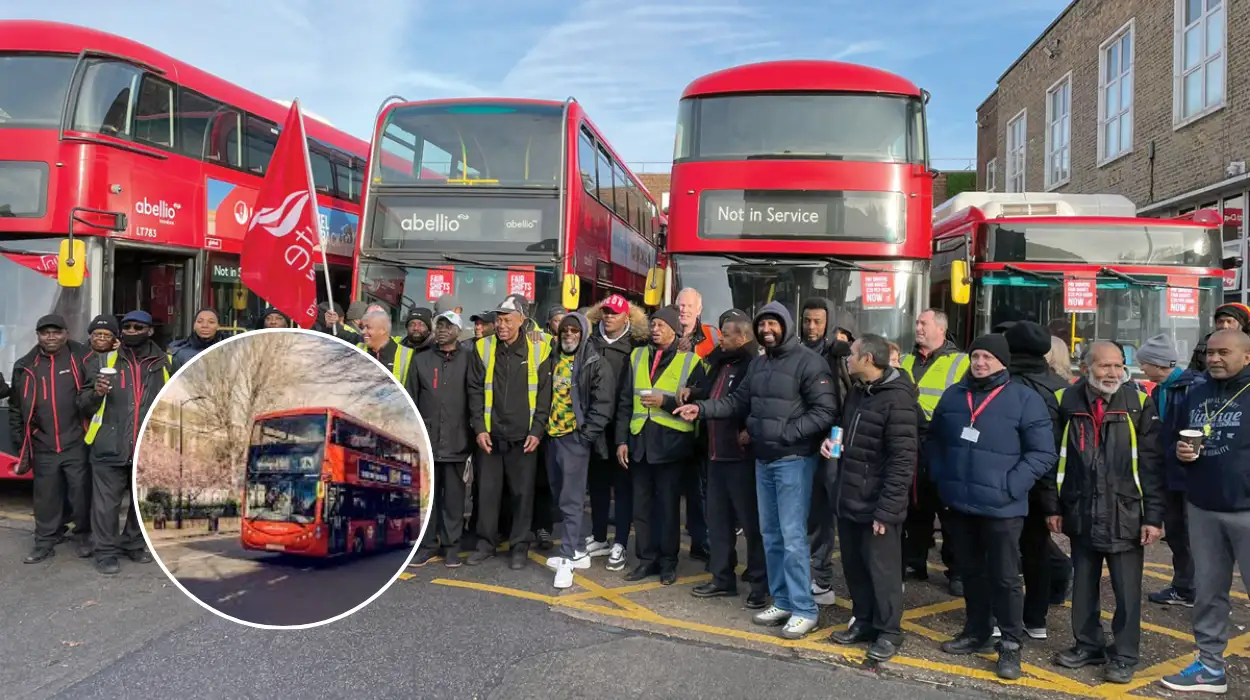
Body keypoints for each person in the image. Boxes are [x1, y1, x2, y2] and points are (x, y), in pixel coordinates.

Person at [676, 301, 836, 640]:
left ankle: (805, 608)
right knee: (772, 535)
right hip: (763, 461)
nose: (767, 330)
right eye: (763, 324)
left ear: (785, 326)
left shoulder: (810, 362)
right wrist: (700, 409)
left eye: (773, 324)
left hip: (794, 461)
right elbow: (736, 402)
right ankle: (782, 600)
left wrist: (785, 433)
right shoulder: (760, 365)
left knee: (793, 537)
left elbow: (825, 412)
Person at [927, 333, 1056, 680]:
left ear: (1003, 362)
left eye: (988, 357)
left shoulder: (1024, 399)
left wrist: (1011, 485)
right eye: (976, 356)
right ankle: (976, 631)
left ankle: (1011, 644)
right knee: (970, 571)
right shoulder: (955, 395)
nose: (981, 363)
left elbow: (1043, 453)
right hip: (959, 502)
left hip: (1002, 507)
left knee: (1005, 577)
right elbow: (935, 439)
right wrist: (941, 477)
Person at [1049, 341, 1164, 684]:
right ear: (1086, 369)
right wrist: (1052, 507)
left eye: (1118, 366)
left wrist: (1153, 517)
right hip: (1081, 509)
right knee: (1083, 586)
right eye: (1105, 367)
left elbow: (1153, 465)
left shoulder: (1139, 402)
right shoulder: (1065, 401)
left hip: (1126, 512)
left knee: (1127, 592)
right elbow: (1052, 459)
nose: (1113, 373)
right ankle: (1088, 645)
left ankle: (1125, 655)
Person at [1162, 329, 1250, 695]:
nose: (1214, 358)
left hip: (1246, 509)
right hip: (1202, 506)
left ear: (1246, 357)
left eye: (1223, 352)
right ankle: (1210, 668)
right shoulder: (1195, 392)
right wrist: (1181, 455)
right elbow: (1172, 442)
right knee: (1209, 592)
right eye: (1210, 352)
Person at [822, 334, 918, 661]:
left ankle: (889, 631)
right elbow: (845, 430)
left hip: (877, 503)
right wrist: (832, 444)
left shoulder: (898, 400)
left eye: (852, 354)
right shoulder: (858, 393)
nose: (847, 358)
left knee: (883, 571)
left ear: (868, 359)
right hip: (849, 496)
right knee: (855, 567)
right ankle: (863, 621)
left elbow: (903, 461)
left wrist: (887, 511)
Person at [686, 310, 768, 609]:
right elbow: (711, 396)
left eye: (727, 334)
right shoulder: (721, 363)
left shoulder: (753, 366)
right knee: (717, 521)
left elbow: (754, 403)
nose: (721, 338)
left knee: (752, 524)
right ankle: (722, 578)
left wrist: (748, 429)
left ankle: (760, 583)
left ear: (743, 337)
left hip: (741, 458)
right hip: (715, 454)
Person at [616, 306, 704, 585]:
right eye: (653, 324)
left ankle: (668, 562)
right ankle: (646, 559)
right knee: (641, 508)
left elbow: (698, 403)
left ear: (674, 330)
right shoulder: (637, 355)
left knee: (667, 508)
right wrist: (621, 440)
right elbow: (624, 402)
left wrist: (664, 402)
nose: (655, 329)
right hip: (640, 441)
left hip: (671, 445)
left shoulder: (691, 361)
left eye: (661, 325)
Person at [78, 311, 169, 575]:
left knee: (144, 503)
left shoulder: (166, 363)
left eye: (138, 327)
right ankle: (105, 552)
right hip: (109, 444)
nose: (131, 331)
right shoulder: (103, 360)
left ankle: (134, 544)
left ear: (150, 331)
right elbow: (82, 405)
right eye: (127, 327)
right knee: (105, 506)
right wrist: (95, 393)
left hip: (149, 447)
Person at [466, 293, 552, 569]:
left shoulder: (539, 349)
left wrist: (537, 431)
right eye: (498, 320)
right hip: (491, 437)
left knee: (522, 496)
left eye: (507, 320)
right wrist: (479, 428)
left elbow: (544, 396)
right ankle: (485, 544)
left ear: (522, 321)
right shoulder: (483, 348)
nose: (501, 325)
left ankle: (518, 548)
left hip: (524, 438)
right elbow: (475, 391)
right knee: (487, 494)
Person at [1002, 321, 1073, 638]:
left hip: (1005, 478)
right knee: (1037, 550)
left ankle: (1000, 618)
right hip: (1047, 481)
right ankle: (1036, 618)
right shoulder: (1061, 386)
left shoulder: (1004, 381)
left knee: (1002, 551)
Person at [9, 314, 91, 562]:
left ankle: (85, 535)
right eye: (45, 333)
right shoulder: (25, 365)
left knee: (81, 495)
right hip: (43, 443)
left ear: (66, 333)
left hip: (76, 442)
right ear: (38, 336)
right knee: (46, 497)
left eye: (56, 332)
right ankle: (45, 541)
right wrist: (23, 438)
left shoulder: (82, 357)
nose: (51, 337)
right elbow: (15, 407)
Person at [542, 312, 614, 588]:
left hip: (575, 440)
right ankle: (577, 551)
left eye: (574, 330)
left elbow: (603, 405)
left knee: (572, 501)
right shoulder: (552, 358)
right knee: (561, 496)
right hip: (552, 437)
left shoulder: (595, 363)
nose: (568, 334)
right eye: (564, 330)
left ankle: (567, 558)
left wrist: (585, 436)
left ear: (584, 333)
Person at [900, 309, 968, 594]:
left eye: (923, 323)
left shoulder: (960, 361)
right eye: (917, 323)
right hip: (911, 440)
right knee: (915, 505)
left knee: (949, 509)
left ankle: (957, 571)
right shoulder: (906, 359)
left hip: (943, 441)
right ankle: (915, 561)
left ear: (940, 329)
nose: (918, 328)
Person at [584, 294, 648, 571]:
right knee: (596, 485)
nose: (609, 317)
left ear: (627, 317)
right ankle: (599, 537)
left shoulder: (637, 345)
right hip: (593, 426)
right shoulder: (588, 341)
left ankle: (620, 541)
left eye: (615, 313)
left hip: (622, 426)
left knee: (622, 487)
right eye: (606, 312)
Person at [1137, 334, 1198, 608]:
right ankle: (1185, 586)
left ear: (1157, 364)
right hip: (1169, 474)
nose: (1142, 370)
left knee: (1188, 533)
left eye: (1144, 364)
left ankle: (1192, 588)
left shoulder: (1191, 387)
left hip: (1187, 475)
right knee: (1176, 532)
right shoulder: (1160, 389)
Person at [410, 312, 475, 568]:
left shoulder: (470, 360)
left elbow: (475, 398)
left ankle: (452, 547)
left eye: (449, 326)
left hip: (458, 441)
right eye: (439, 325)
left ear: (459, 331)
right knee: (429, 498)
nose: (442, 330)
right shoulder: (421, 360)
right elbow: (412, 399)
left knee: (455, 499)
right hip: (427, 441)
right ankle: (427, 545)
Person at [802, 297, 846, 606]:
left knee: (821, 516)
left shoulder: (838, 355)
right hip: (799, 441)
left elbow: (847, 400)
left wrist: (837, 443)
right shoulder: (794, 351)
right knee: (800, 515)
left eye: (818, 321)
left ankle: (822, 580)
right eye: (807, 320)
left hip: (829, 444)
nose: (812, 326)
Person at [674, 288, 716, 561]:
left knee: (698, 490)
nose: (684, 310)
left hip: (699, 425)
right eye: (681, 306)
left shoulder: (712, 337)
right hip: (666, 423)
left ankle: (700, 541)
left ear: (699, 309)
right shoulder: (664, 332)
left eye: (689, 306)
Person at [357, 310, 415, 385]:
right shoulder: (358, 349)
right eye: (362, 327)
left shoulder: (408, 355)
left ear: (383, 330)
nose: (363, 332)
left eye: (368, 327)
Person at [1188, 303, 1250, 372]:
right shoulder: (1205, 343)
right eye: (1220, 321)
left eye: (1229, 321)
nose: (1224, 326)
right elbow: (1191, 372)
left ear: (1242, 324)